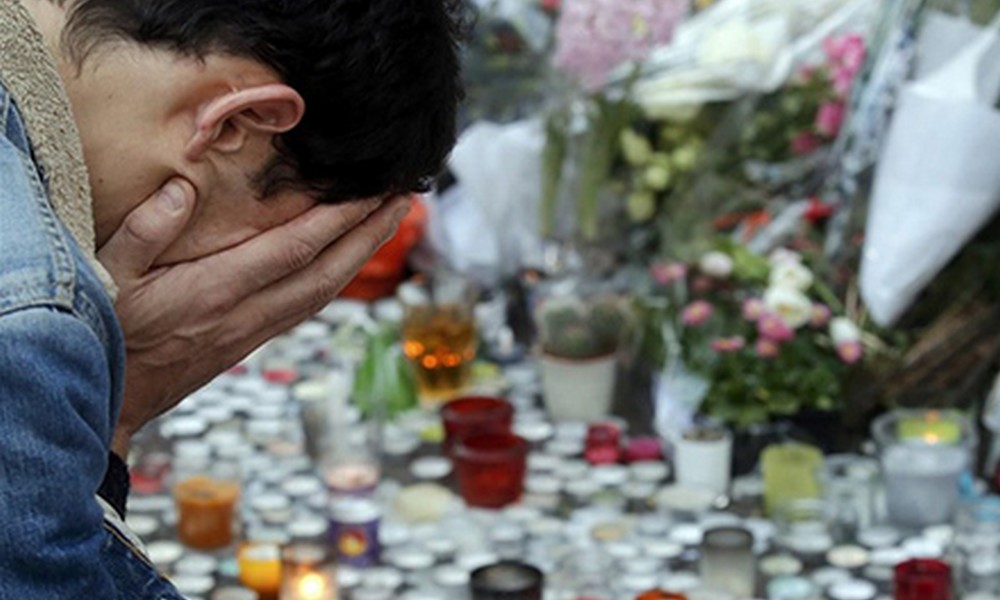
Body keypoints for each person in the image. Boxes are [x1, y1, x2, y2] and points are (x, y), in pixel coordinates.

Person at [0, 0, 463, 596]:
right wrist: (117, 403)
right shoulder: (32, 327)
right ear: (234, 124)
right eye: (276, 251)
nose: (232, 287)